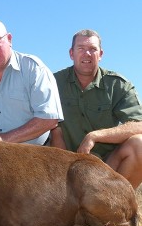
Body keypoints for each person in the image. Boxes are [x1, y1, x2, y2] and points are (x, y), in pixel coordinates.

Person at [51, 29, 142, 189]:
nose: (87, 53)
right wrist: (63, 169)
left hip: (107, 166)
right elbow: (52, 128)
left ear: (100, 54)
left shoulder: (117, 85)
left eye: (93, 49)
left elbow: (139, 124)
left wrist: (95, 136)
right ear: (71, 53)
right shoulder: (53, 82)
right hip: (65, 165)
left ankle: (117, 207)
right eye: (81, 48)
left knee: (140, 145)